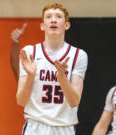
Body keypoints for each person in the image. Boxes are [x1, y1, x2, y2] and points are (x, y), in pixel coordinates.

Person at [15, 3, 88, 135]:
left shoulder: (78, 55)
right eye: (48, 17)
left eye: (58, 16)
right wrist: (31, 77)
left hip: (64, 127)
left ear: (67, 25)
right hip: (35, 126)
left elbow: (74, 101)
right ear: (42, 25)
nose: (53, 20)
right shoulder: (30, 52)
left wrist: (62, 79)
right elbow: (21, 100)